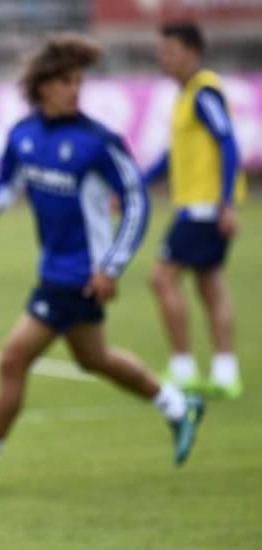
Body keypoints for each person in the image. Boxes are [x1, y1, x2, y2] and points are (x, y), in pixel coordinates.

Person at [0, 35, 204, 488]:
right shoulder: (24, 134)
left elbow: (136, 202)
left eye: (78, 81)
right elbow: (6, 178)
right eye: (65, 81)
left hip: (81, 275)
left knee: (13, 358)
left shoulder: (98, 141)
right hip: (56, 269)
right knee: (93, 357)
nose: (75, 89)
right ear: (43, 87)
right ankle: (175, 403)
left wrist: (110, 266)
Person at [145, 22, 246, 399]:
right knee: (211, 286)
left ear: (192, 52)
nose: (163, 58)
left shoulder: (203, 92)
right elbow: (176, 156)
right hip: (197, 206)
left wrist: (226, 204)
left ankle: (184, 367)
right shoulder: (187, 95)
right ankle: (225, 373)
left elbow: (228, 143)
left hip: (203, 209)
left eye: (170, 51)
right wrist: (140, 182)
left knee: (161, 277)